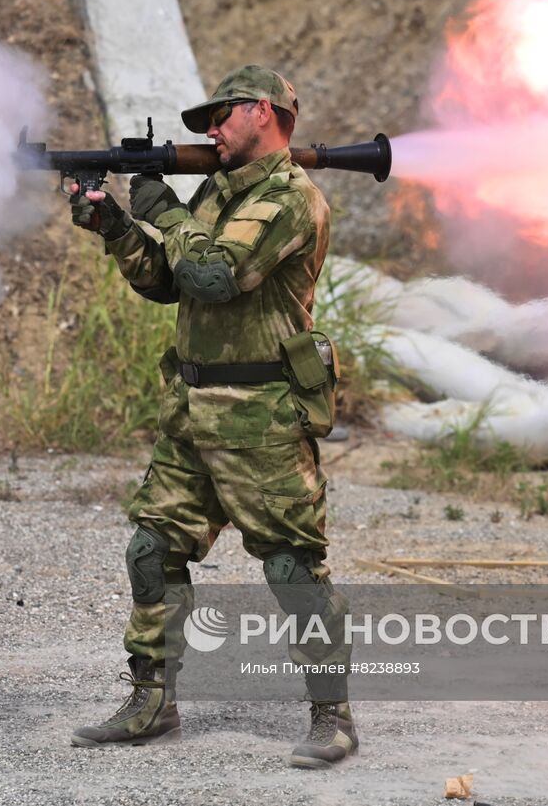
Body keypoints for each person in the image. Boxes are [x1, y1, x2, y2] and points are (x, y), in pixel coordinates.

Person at [66, 66, 356, 768]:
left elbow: (215, 275)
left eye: (221, 116)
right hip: (195, 408)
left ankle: (332, 715)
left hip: (262, 414)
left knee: (290, 565)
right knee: (152, 550)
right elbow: (169, 281)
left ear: (264, 110)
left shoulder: (288, 198)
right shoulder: (220, 197)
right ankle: (151, 699)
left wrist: (163, 209)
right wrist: (114, 224)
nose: (211, 132)